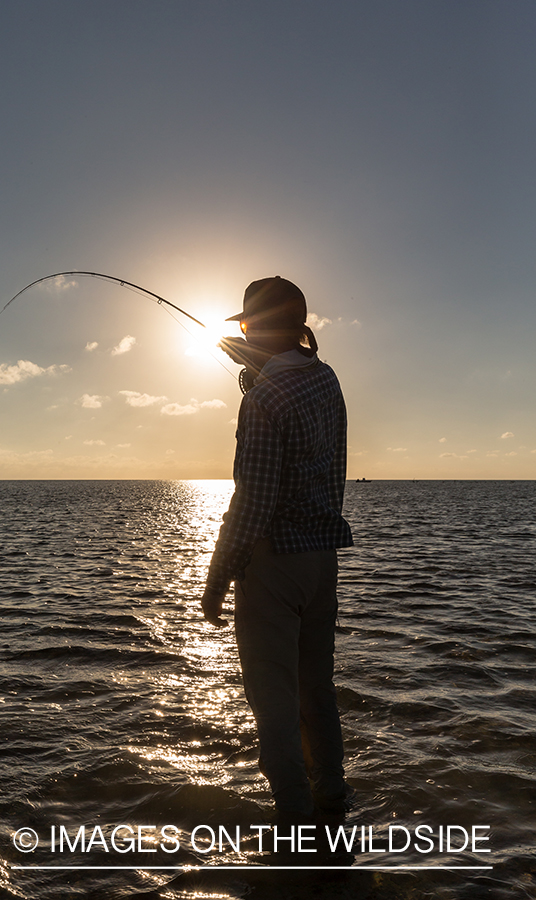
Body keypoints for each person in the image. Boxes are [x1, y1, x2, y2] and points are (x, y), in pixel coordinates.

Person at [200, 276, 354, 822]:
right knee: (317, 689)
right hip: (322, 559)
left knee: (273, 706)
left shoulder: (264, 395)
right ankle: (332, 803)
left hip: (274, 563)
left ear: (255, 327)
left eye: (246, 324)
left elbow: (254, 498)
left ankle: (293, 824)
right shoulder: (327, 379)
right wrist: (256, 374)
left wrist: (219, 576)